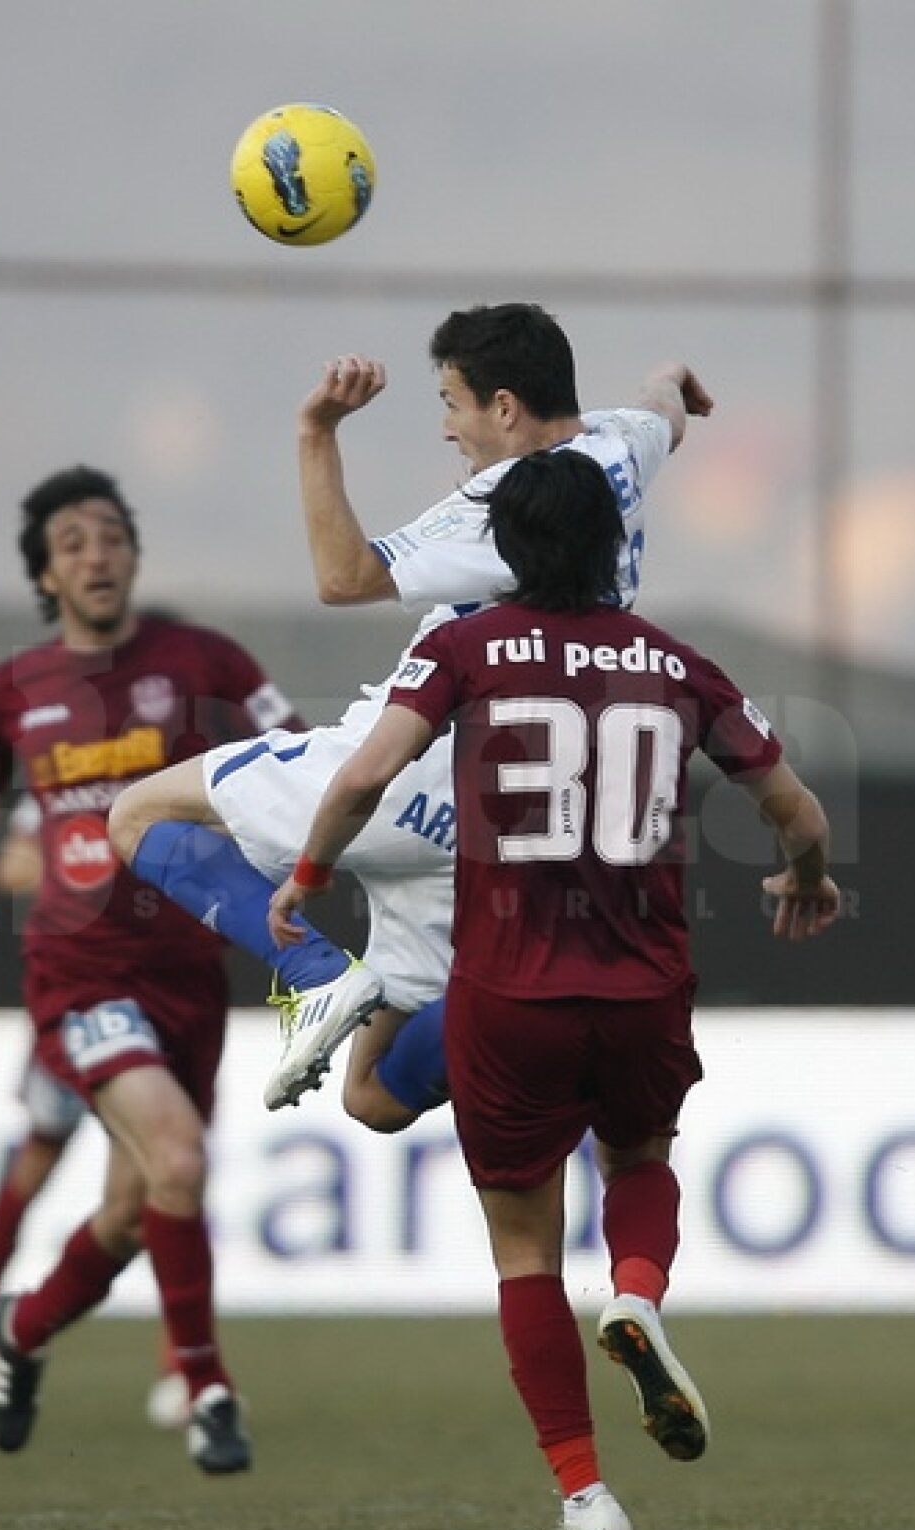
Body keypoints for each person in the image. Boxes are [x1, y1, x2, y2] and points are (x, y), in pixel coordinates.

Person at [266, 448, 841, 1530]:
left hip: (512, 990)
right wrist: (806, 875)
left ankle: (584, 1494)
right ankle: (637, 1293)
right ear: (610, 547)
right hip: (641, 986)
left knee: (524, 1250)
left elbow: (368, 773)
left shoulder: (463, 646)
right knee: (640, 1157)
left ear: (511, 549)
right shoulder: (677, 662)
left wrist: (313, 870)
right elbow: (792, 804)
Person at [109, 303, 713, 1121]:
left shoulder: (497, 505)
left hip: (408, 766)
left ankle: (315, 974)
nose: (446, 427)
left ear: (504, 407)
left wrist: (317, 430)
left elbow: (343, 576)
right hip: (491, 810)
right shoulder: (622, 444)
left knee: (135, 813)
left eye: (451, 403)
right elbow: (661, 407)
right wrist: (674, 376)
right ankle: (557, 1041)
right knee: (373, 1094)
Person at [0, 464, 300, 1473]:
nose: (97, 553)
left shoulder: (200, 657)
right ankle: (209, 1386)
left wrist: (298, 848)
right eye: (74, 541)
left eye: (112, 535)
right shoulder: (12, 688)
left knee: (134, 1207)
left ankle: (22, 1328)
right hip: (79, 972)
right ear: (46, 572)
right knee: (175, 1159)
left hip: (187, 972)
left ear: (134, 554)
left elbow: (297, 751)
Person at [0, 795, 190, 1437]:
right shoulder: (62, 775)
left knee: (164, 1173)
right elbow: (10, 868)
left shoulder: (172, 773)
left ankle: (183, 1359)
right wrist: (91, 871)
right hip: (80, 1001)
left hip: (154, 999)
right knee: (40, 1158)